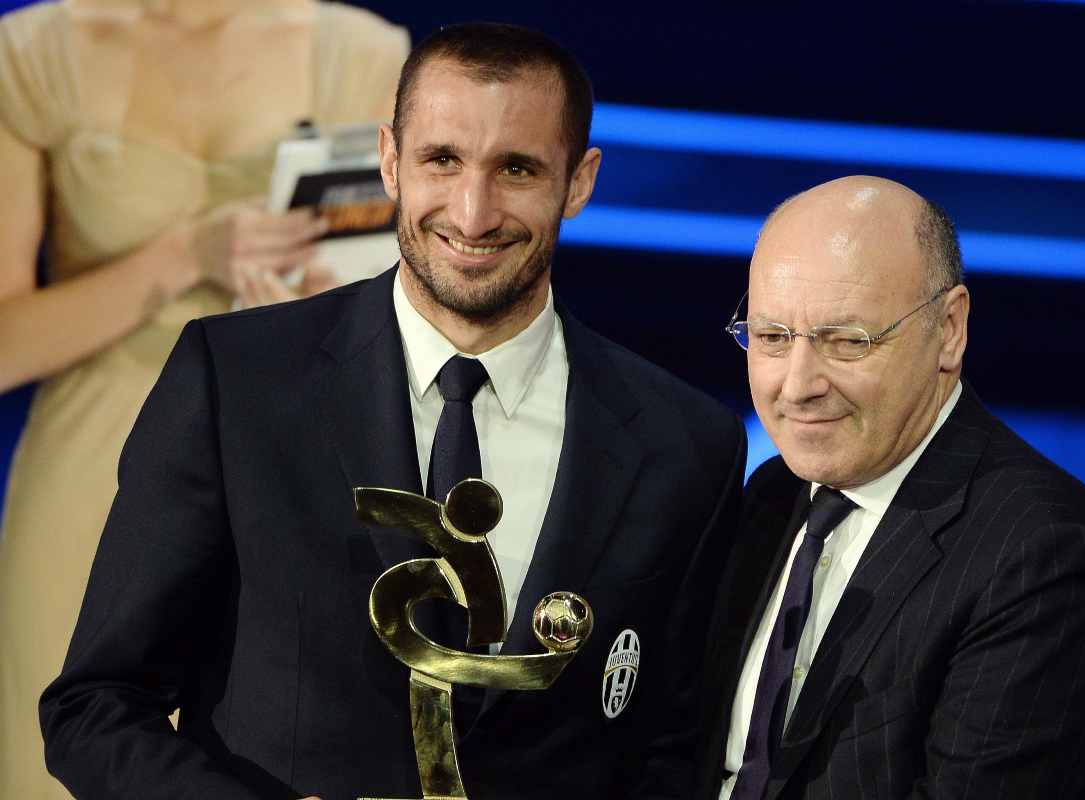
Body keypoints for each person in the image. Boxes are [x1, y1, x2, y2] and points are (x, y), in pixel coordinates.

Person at [39, 21, 747, 800]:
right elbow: (95, 707)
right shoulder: (236, 382)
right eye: (442, 160)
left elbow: (677, 750)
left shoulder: (686, 445)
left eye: (516, 168)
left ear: (579, 182)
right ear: (389, 161)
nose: (473, 214)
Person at [0, 2, 409, 796]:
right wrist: (185, 254)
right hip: (91, 462)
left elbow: (400, 298)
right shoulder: (33, 55)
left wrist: (322, 311)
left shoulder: (361, 53)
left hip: (285, 460)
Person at [695, 176, 1085, 800]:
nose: (795, 386)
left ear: (950, 329)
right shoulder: (773, 495)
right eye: (771, 338)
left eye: (848, 341)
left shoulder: (1046, 555)